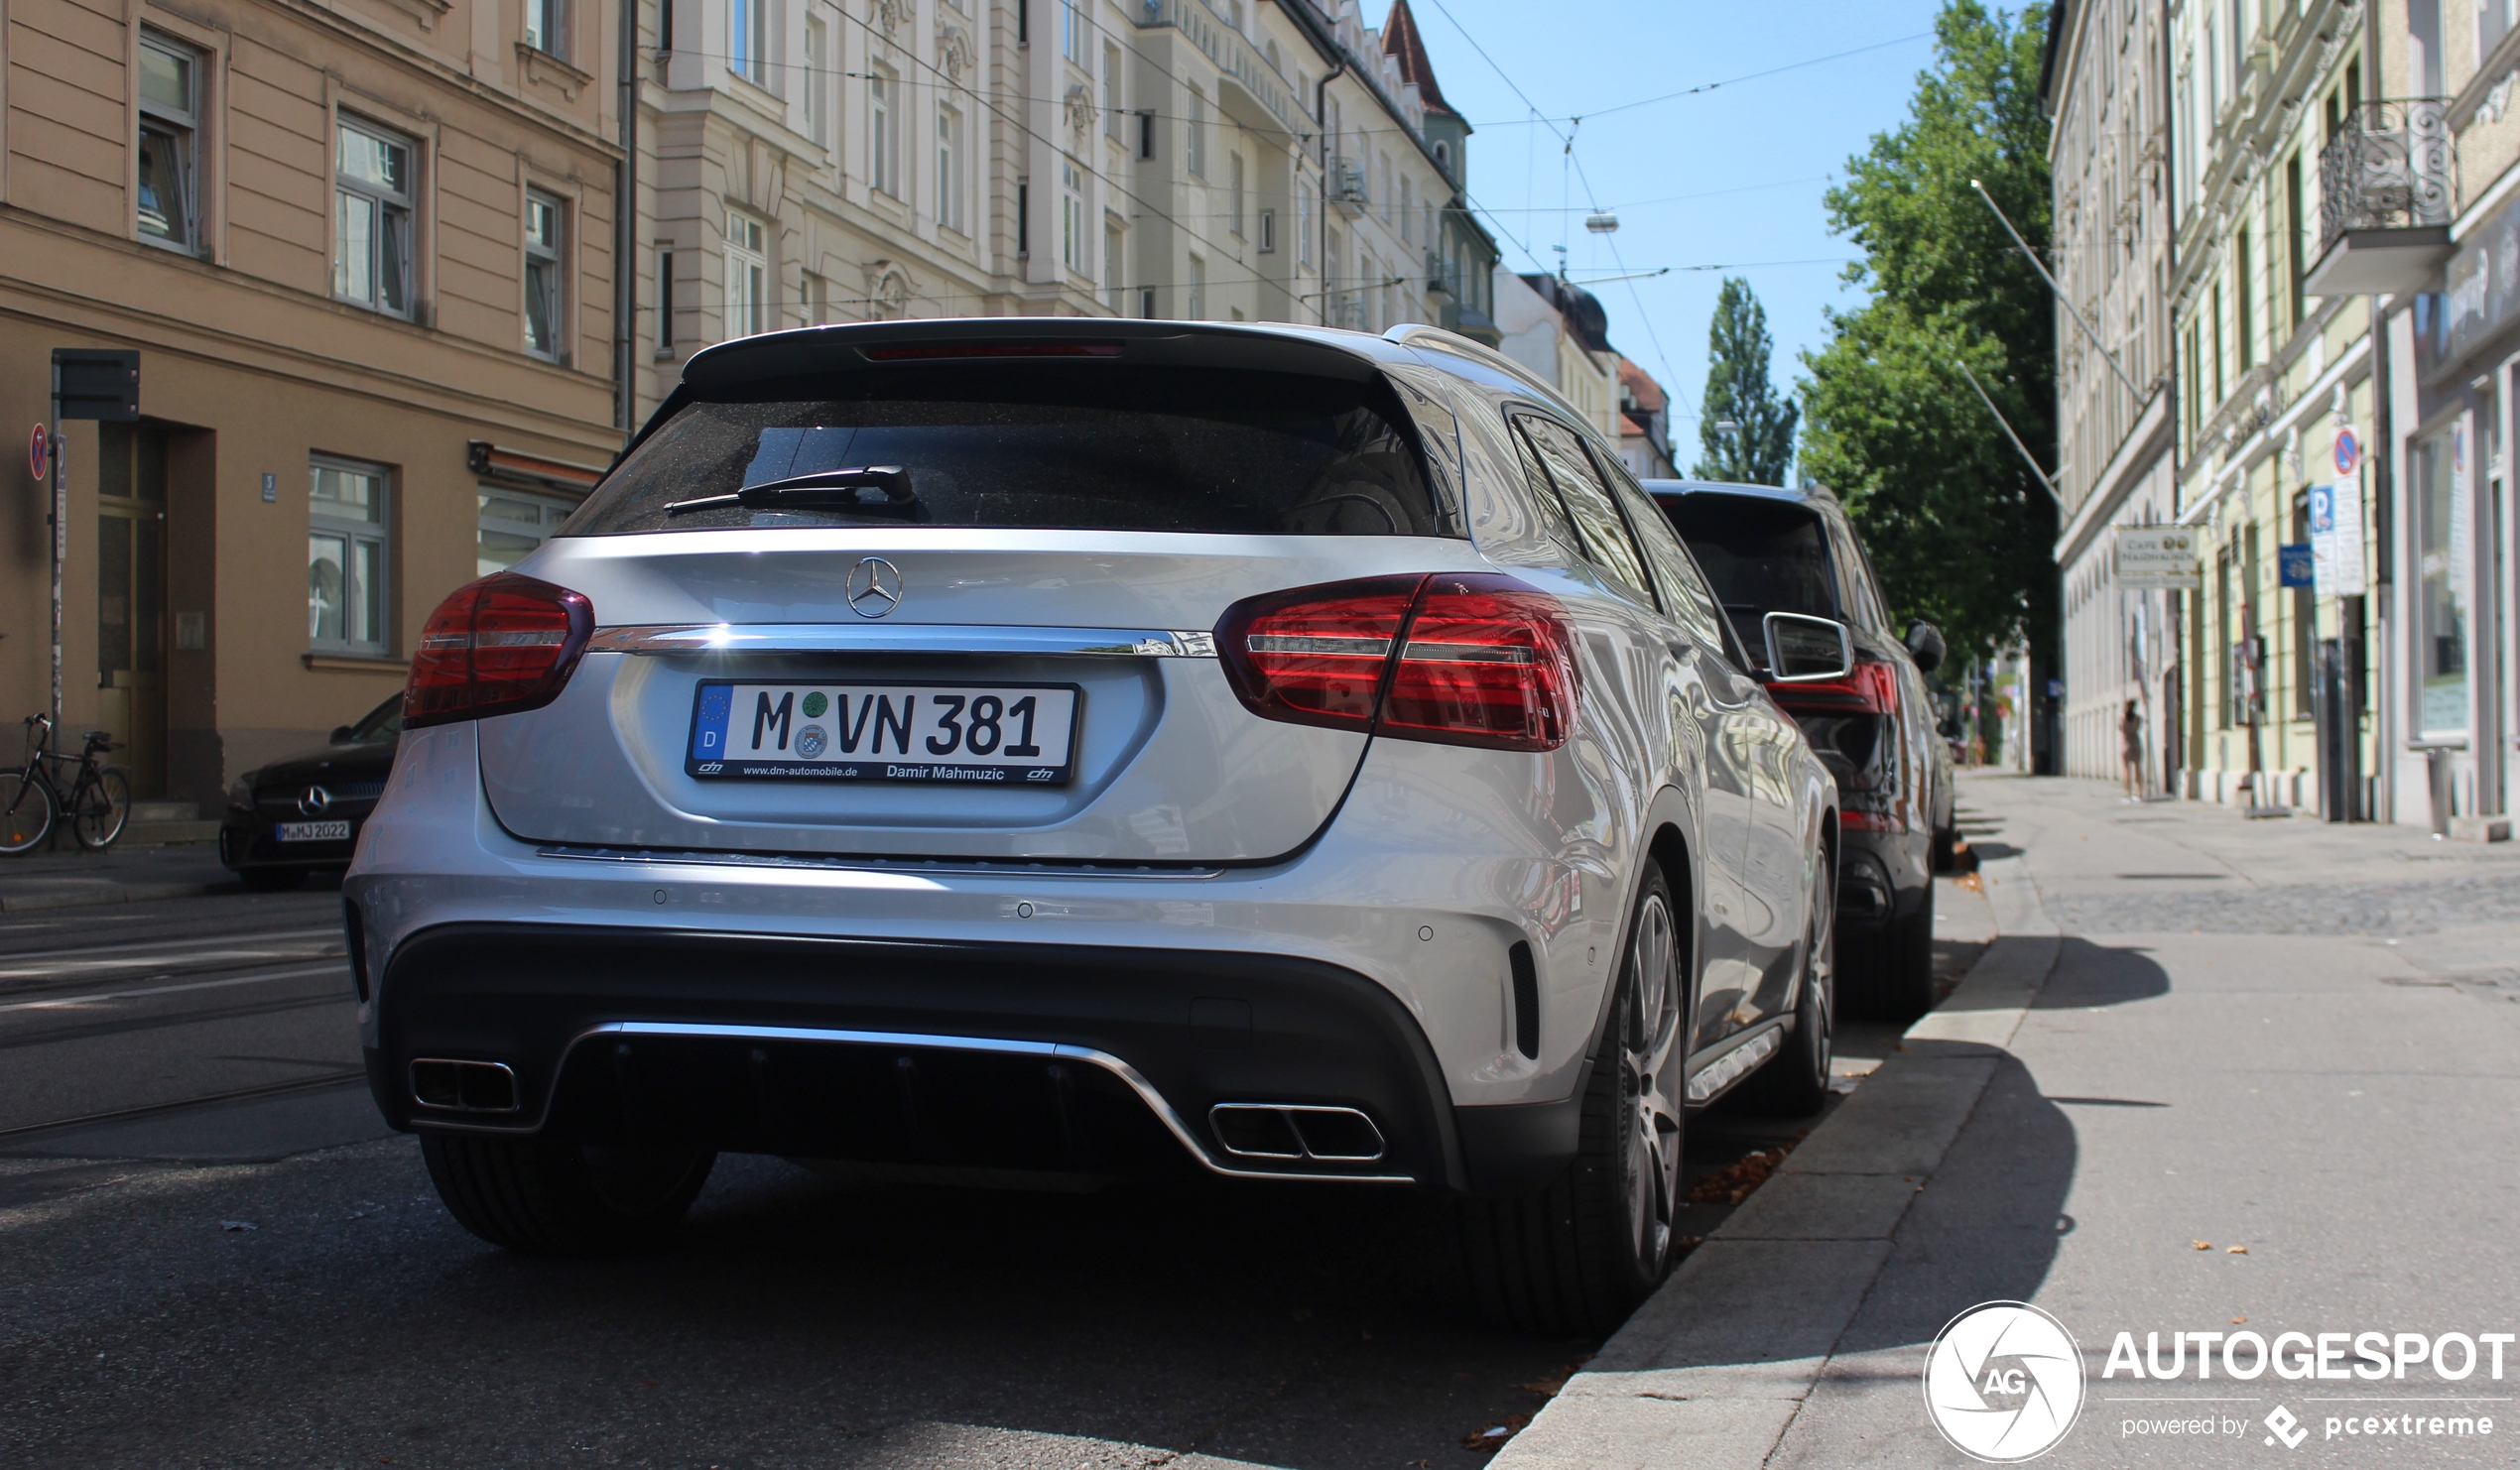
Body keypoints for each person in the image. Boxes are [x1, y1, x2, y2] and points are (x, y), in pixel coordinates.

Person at [2119, 698, 2144, 798]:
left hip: (2126, 744)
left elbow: (2120, 728)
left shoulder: (2122, 718)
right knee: (2137, 769)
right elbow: (2138, 728)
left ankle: (2127, 791)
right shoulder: (2137, 718)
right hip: (2135, 743)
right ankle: (2139, 791)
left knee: (2126, 770)